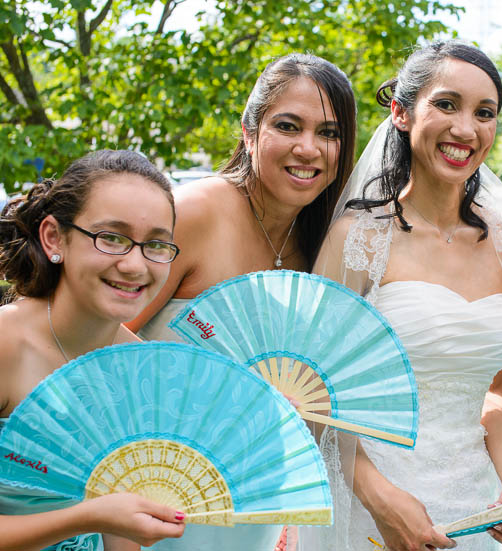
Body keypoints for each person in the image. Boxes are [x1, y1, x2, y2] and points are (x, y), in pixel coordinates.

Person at [311, 41, 502, 551]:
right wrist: (377, 495)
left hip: (476, 508)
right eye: (446, 104)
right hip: (376, 507)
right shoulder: (359, 239)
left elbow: (497, 389)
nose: (466, 129)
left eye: (485, 113)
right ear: (401, 113)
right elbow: (314, 393)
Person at [126, 54, 356, 550]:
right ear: (250, 132)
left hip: (257, 501)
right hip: (160, 489)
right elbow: (104, 336)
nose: (308, 148)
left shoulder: (324, 242)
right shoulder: (196, 213)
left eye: (330, 133)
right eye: (288, 126)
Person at [0, 150, 185, 551]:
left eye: (156, 245)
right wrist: (88, 516)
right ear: (54, 237)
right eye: (112, 238)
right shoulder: (5, 345)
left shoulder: (140, 369)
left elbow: (122, 538)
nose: (135, 265)